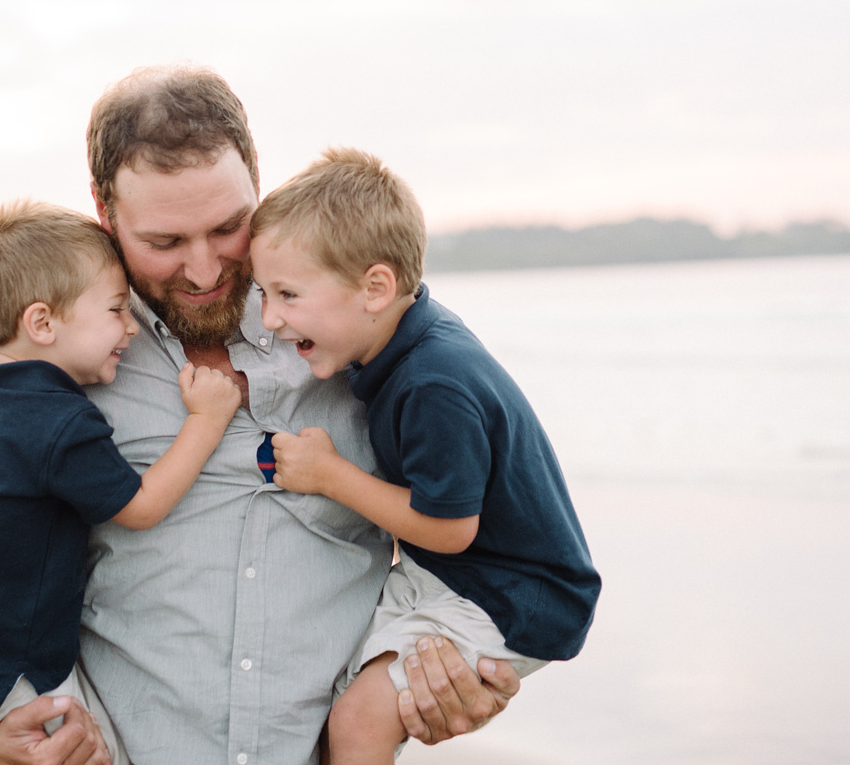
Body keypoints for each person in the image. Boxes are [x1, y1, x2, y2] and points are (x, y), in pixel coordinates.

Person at [0, 66, 524, 765]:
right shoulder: (61, 359)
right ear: (105, 213)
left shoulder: (361, 333)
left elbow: (477, 536)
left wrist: (451, 673)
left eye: (229, 227)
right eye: (165, 243)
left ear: (258, 177)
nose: (203, 270)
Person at [250, 148, 601, 765]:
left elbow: (449, 528)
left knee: (360, 718)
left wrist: (331, 476)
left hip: (510, 590)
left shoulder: (434, 382)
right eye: (263, 293)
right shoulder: (400, 337)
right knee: (330, 683)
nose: (271, 318)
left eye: (287, 294)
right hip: (459, 571)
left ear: (374, 288)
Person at [0, 200, 241, 765]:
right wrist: (206, 421)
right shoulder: (60, 423)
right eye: (114, 310)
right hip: (8, 667)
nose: (130, 327)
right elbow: (142, 506)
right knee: (87, 752)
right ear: (43, 323)